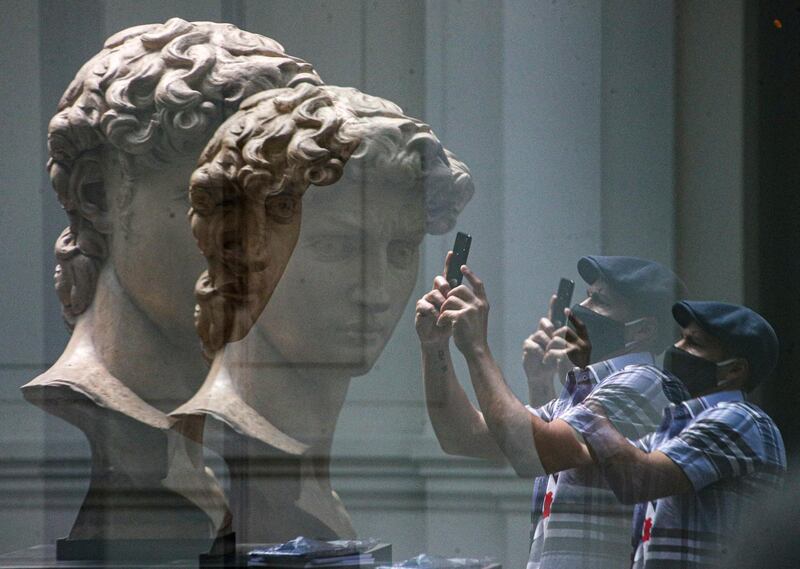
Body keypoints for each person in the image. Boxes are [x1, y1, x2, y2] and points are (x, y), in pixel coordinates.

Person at [21, 18, 323, 542]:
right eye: (215, 202)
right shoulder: (126, 426)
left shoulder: (221, 434)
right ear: (97, 195)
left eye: (273, 207)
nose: (255, 245)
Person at [171, 84, 475, 541]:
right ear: (245, 245)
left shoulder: (309, 472)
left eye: (400, 251)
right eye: (336, 247)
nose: (376, 292)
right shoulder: (221, 443)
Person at [416, 255, 688, 568]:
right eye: (586, 295)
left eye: (598, 300)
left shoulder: (645, 381)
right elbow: (462, 437)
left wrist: (476, 347)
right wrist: (435, 346)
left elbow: (529, 452)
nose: (580, 309)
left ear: (642, 331)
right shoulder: (585, 390)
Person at [567, 301, 786, 568]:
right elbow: (585, 458)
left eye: (694, 343)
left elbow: (637, 478)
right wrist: (584, 376)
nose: (677, 349)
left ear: (734, 370)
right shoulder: (676, 428)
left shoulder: (741, 419)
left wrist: (594, 401)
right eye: (681, 338)